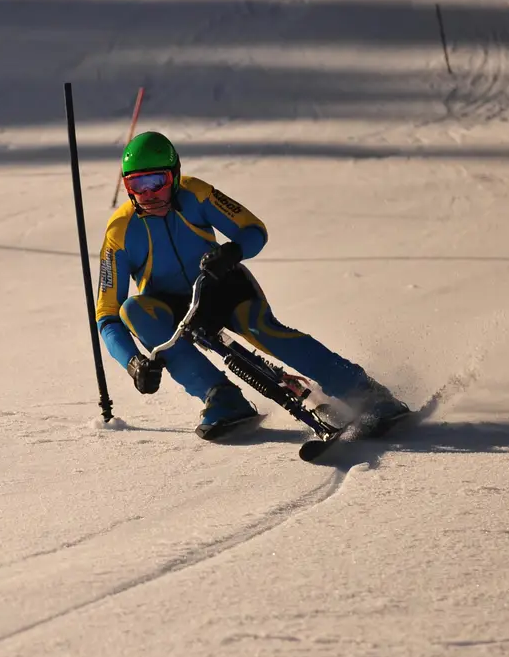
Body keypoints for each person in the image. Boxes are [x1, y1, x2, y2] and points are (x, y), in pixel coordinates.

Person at [95, 131, 411, 441]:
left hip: (223, 286)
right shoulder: (120, 232)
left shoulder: (196, 194)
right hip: (177, 310)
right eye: (135, 185)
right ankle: (221, 398)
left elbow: (253, 229)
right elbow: (107, 317)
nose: (147, 194)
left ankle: (362, 390)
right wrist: (133, 363)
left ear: (175, 176)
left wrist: (232, 251)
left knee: (262, 329)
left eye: (156, 182)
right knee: (132, 310)